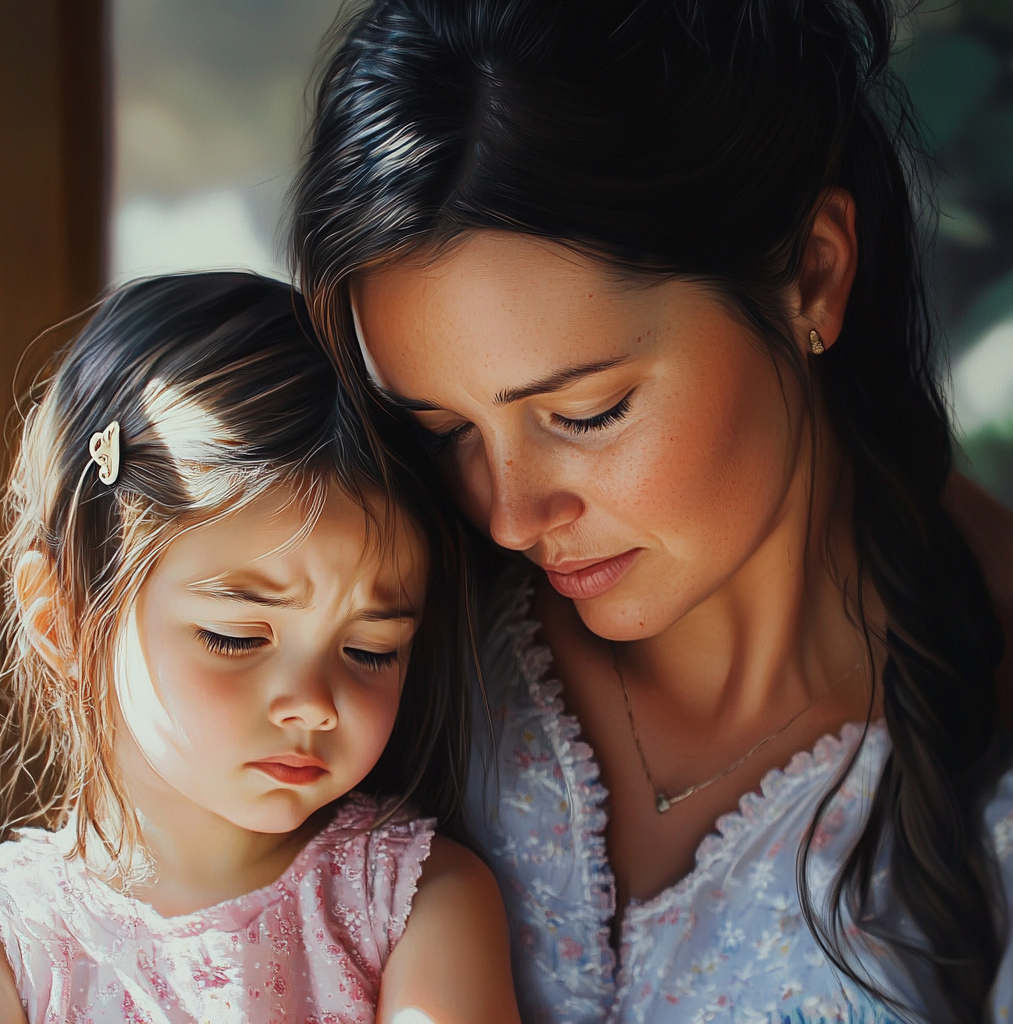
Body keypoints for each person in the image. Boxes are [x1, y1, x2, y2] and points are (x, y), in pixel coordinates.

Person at [289, 1, 1013, 1021]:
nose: (507, 515)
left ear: (811, 274)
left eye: (586, 412)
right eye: (443, 429)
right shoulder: (371, 646)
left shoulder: (985, 704)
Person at [0, 273, 520, 1024]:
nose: (313, 702)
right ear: (63, 619)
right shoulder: (15, 946)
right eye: (236, 636)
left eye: (371, 650)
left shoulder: (414, 903)